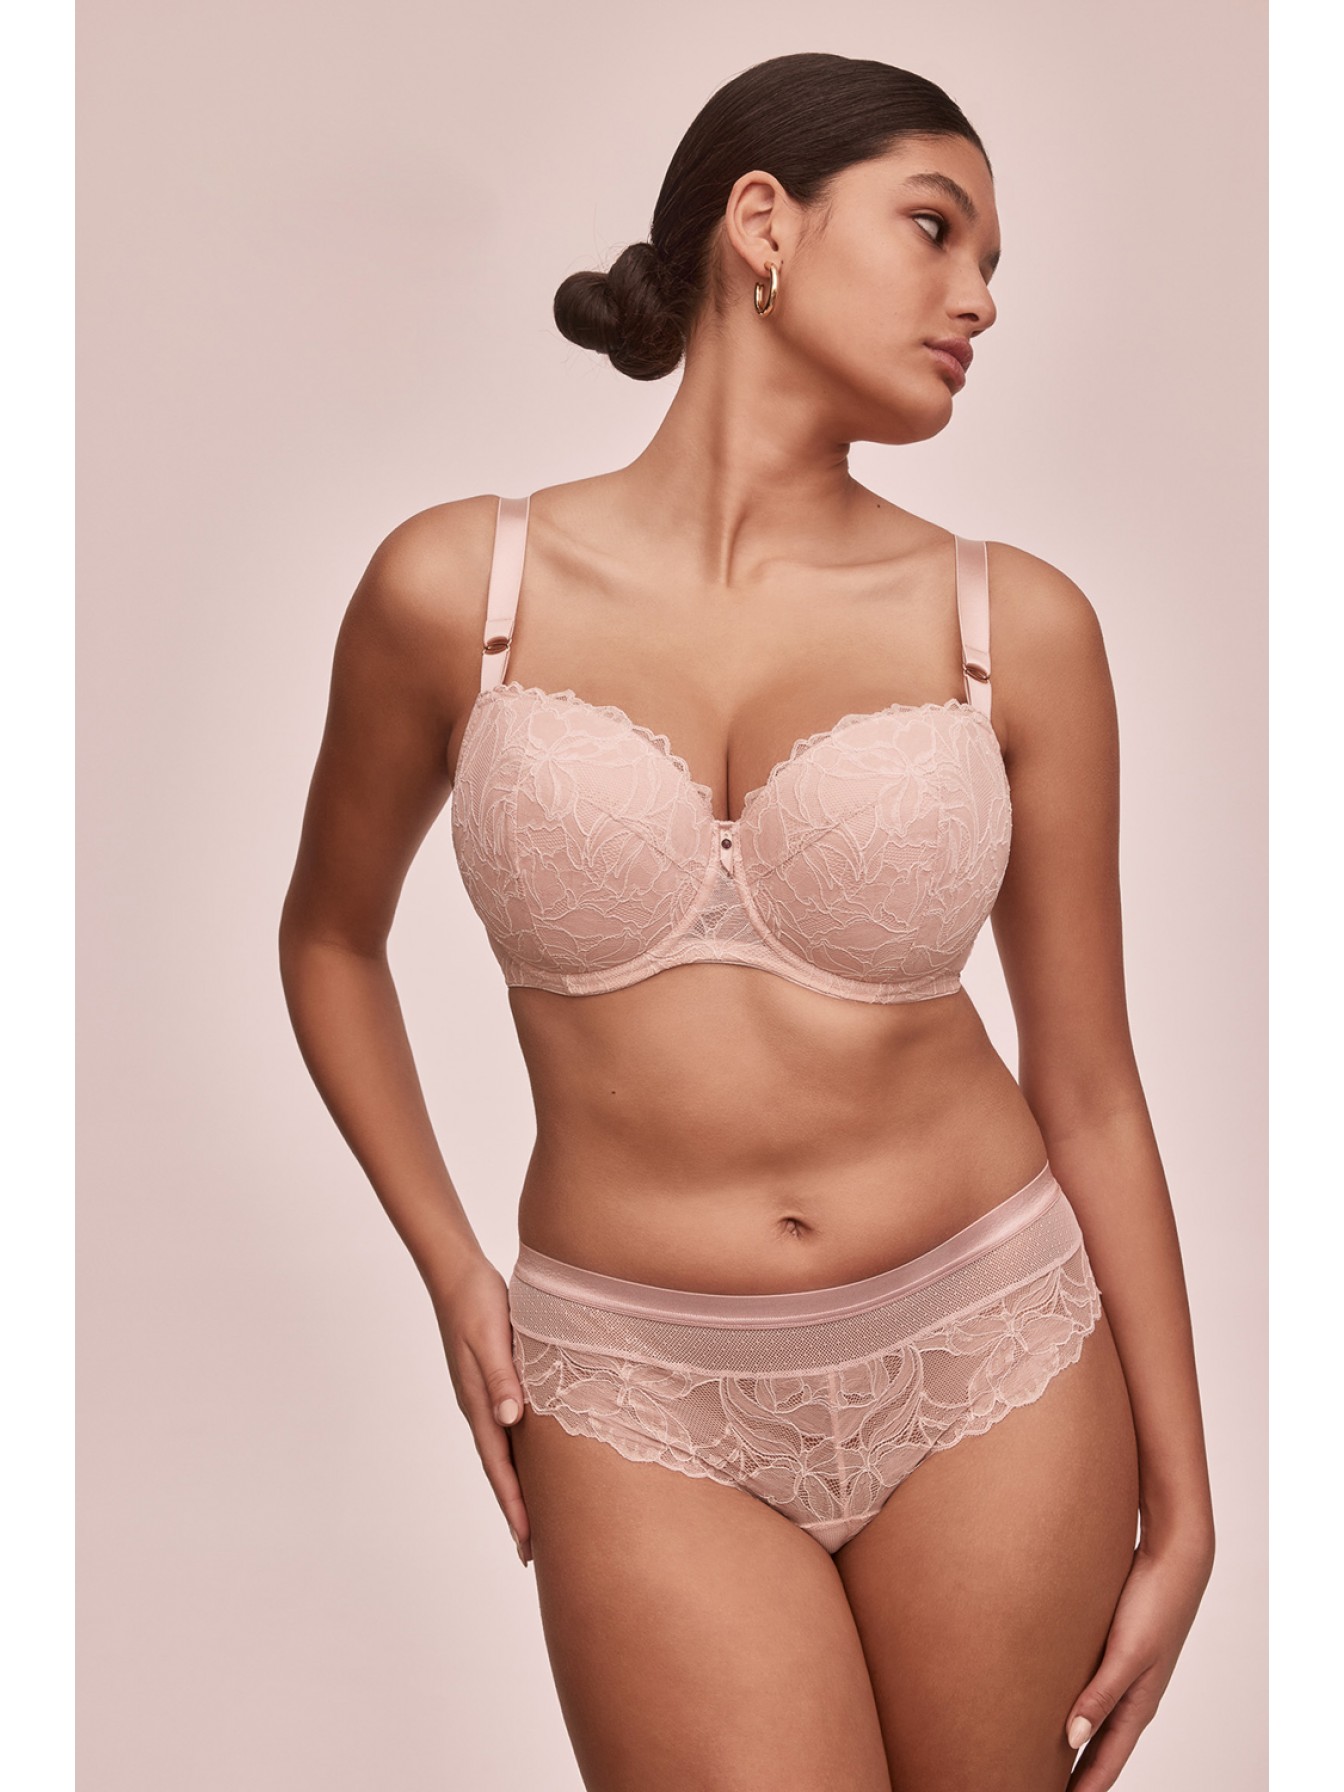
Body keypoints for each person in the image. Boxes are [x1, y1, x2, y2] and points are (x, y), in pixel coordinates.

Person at [279, 50, 1215, 1792]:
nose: (979, 299)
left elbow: (1089, 1080)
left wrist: (1192, 1497)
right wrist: (452, 1266)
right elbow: (328, 942)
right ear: (763, 224)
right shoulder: (454, 591)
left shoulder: (1017, 627)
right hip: (633, 1386)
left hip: (995, 1352)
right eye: (936, 230)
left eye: (993, 264)